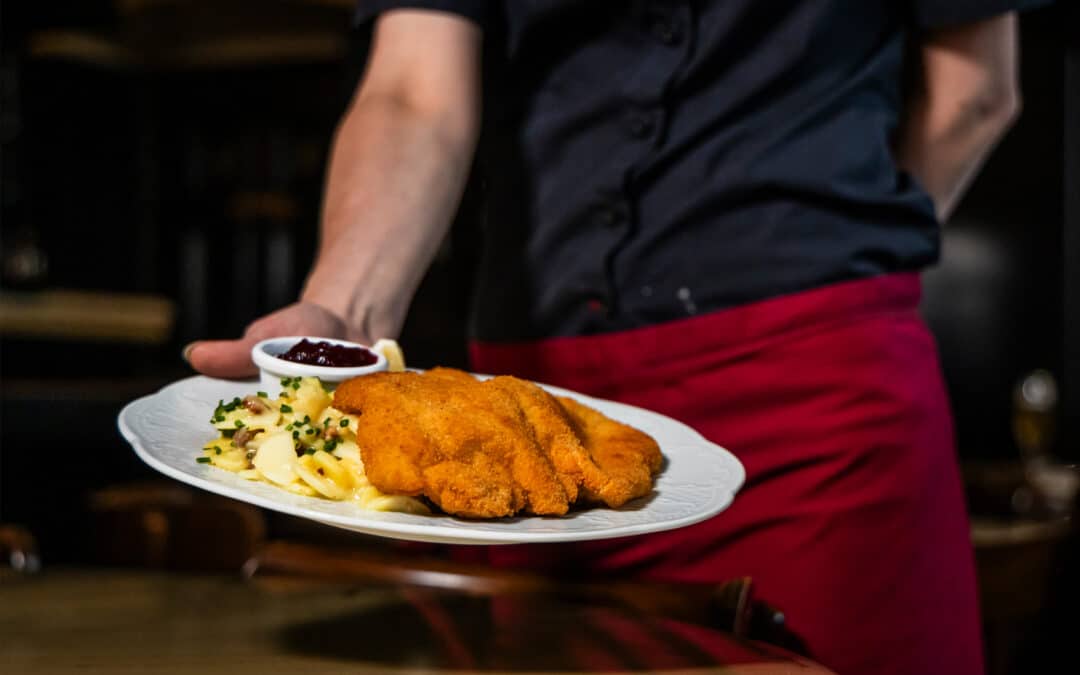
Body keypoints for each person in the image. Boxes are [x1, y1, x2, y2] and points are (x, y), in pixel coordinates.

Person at [184, 2, 1050, 672]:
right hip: (524, 424)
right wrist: (343, 322)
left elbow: (976, 95)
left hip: (809, 414)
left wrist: (842, 274)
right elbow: (414, 86)